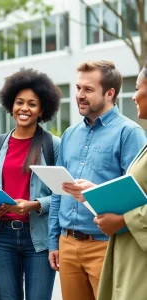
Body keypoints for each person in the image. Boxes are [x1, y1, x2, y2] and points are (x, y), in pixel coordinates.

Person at [48, 60, 147, 300]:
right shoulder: (70, 134)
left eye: (88, 90)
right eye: (78, 88)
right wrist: (54, 241)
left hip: (106, 245)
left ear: (110, 93)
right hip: (67, 244)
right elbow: (58, 192)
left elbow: (133, 193)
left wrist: (96, 194)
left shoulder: (130, 133)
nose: (80, 95)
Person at [0, 68, 61, 300]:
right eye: (19, 102)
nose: (24, 109)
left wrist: (35, 204)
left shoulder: (53, 145)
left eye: (32, 104)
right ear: (11, 105)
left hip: (38, 239)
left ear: (42, 110)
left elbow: (63, 192)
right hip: (2, 239)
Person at [95, 66, 147, 300]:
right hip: (131, 253)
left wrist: (123, 220)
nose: (134, 96)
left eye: (138, 88)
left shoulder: (130, 132)